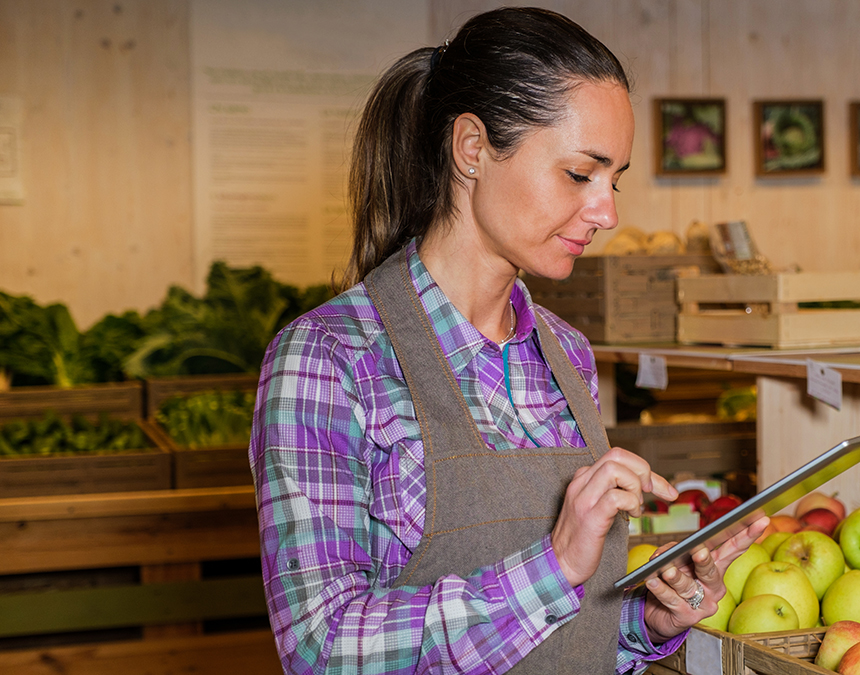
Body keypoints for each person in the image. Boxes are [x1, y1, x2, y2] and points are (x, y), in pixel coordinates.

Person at [249, 7, 766, 674]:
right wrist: (553, 567)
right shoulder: (329, 360)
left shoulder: (565, 352)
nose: (607, 212)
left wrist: (644, 621)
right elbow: (320, 650)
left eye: (616, 180)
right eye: (581, 174)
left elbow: (561, 636)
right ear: (472, 148)